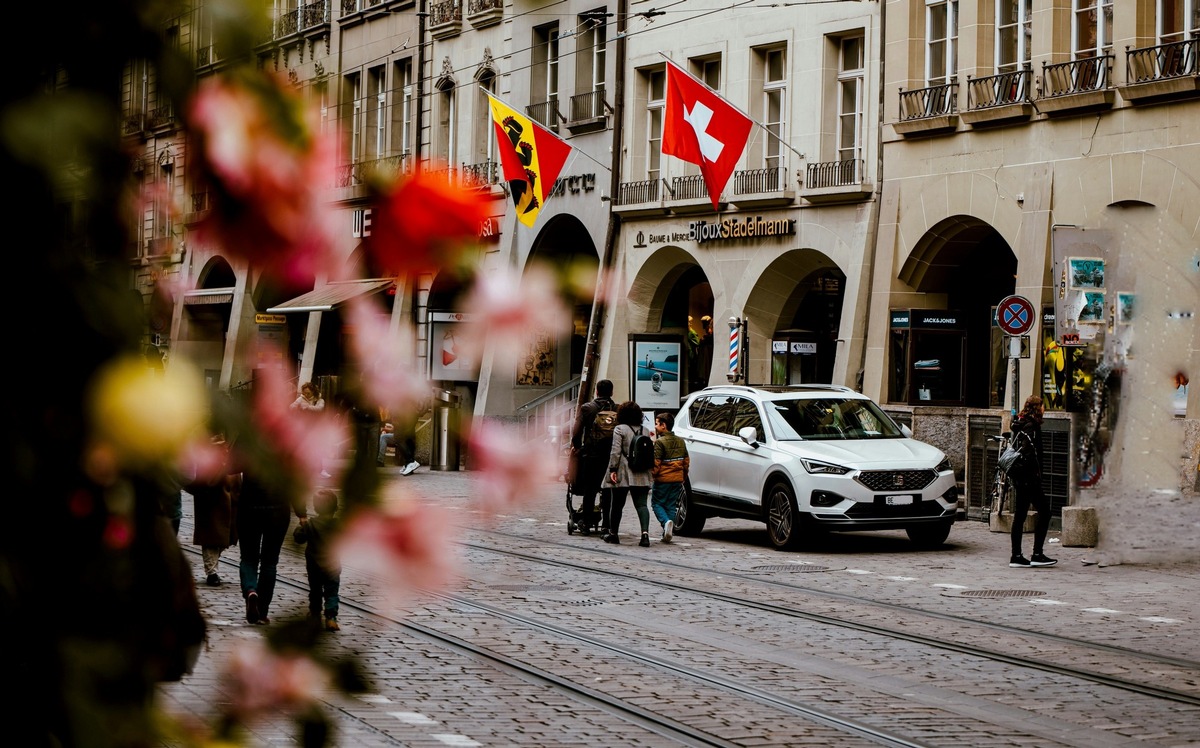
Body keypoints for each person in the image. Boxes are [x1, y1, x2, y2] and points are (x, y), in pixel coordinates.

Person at [237, 464, 307, 624]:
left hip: (249, 508)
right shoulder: (287, 440)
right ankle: (262, 612)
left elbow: (231, 467)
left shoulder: (249, 438)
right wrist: (301, 513)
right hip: (278, 510)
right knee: (269, 562)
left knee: (248, 558)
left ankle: (250, 590)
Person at [1008, 395, 1057, 568]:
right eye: (1043, 406)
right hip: (1029, 479)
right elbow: (1028, 453)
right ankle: (1036, 554)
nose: (1044, 409)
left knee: (1020, 516)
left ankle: (1017, 555)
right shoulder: (1031, 426)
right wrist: (1034, 473)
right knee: (1045, 512)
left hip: (1022, 478)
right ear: (1038, 408)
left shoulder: (1020, 423)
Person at [187, 434, 240, 586]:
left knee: (223, 536)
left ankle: (212, 568)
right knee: (211, 535)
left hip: (229, 487)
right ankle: (212, 572)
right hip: (211, 490)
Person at [569, 379, 617, 535]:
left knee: (590, 490)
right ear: (611, 392)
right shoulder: (617, 409)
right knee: (608, 490)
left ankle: (587, 521)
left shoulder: (587, 408)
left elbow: (577, 432)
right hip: (610, 455)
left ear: (596, 391)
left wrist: (577, 448)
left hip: (591, 454)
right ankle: (607, 524)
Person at [604, 400, 654, 547]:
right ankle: (645, 535)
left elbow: (616, 451)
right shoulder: (644, 430)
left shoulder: (620, 429)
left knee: (617, 504)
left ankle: (614, 534)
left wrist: (613, 469)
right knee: (642, 505)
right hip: (641, 471)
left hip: (623, 470)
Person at [293, 488, 342, 632]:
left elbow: (298, 537)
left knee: (315, 591)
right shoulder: (338, 525)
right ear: (336, 508)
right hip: (333, 566)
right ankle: (331, 618)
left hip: (314, 565)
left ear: (315, 507)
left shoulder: (311, 524)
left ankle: (315, 615)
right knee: (332, 592)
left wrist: (300, 526)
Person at [650, 411, 689, 544]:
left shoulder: (660, 442)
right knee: (671, 505)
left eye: (656, 424)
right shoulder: (681, 441)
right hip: (677, 479)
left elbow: (656, 463)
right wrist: (683, 476)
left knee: (657, 503)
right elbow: (686, 461)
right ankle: (668, 531)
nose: (655, 427)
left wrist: (652, 476)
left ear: (663, 425)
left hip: (663, 479)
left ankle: (666, 523)